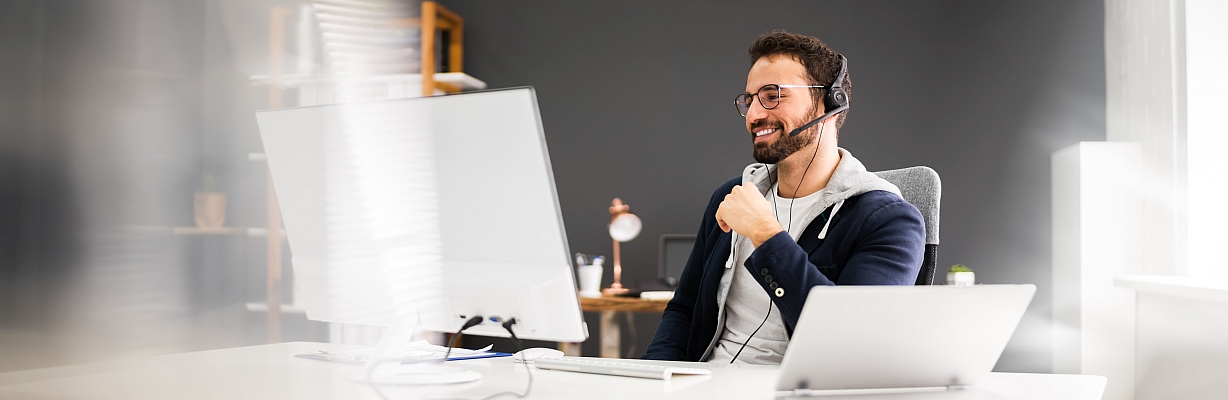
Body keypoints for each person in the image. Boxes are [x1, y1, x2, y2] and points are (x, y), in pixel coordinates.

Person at [642, 31, 925, 364]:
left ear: (830, 102)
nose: (753, 115)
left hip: (792, 386)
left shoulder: (889, 221)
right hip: (705, 380)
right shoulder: (734, 197)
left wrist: (765, 233)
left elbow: (850, 343)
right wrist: (655, 375)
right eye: (750, 100)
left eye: (772, 95)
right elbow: (684, 309)